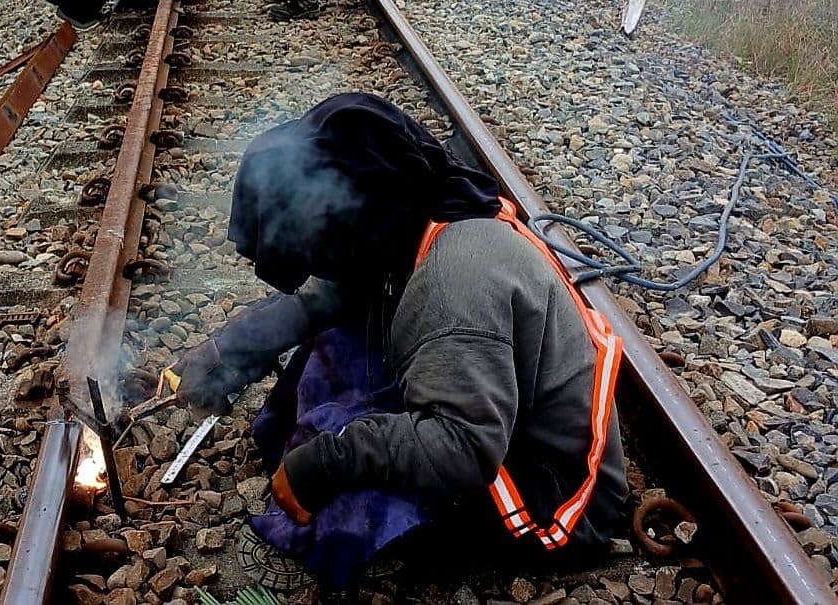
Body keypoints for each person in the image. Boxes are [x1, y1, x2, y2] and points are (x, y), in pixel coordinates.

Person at [169, 93, 627, 590]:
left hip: (547, 497)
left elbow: (463, 447)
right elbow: (320, 303)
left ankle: (373, 551)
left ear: (356, 215)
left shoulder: (454, 283)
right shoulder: (412, 212)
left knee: (354, 448)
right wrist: (225, 354)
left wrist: (323, 463)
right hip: (499, 422)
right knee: (335, 343)